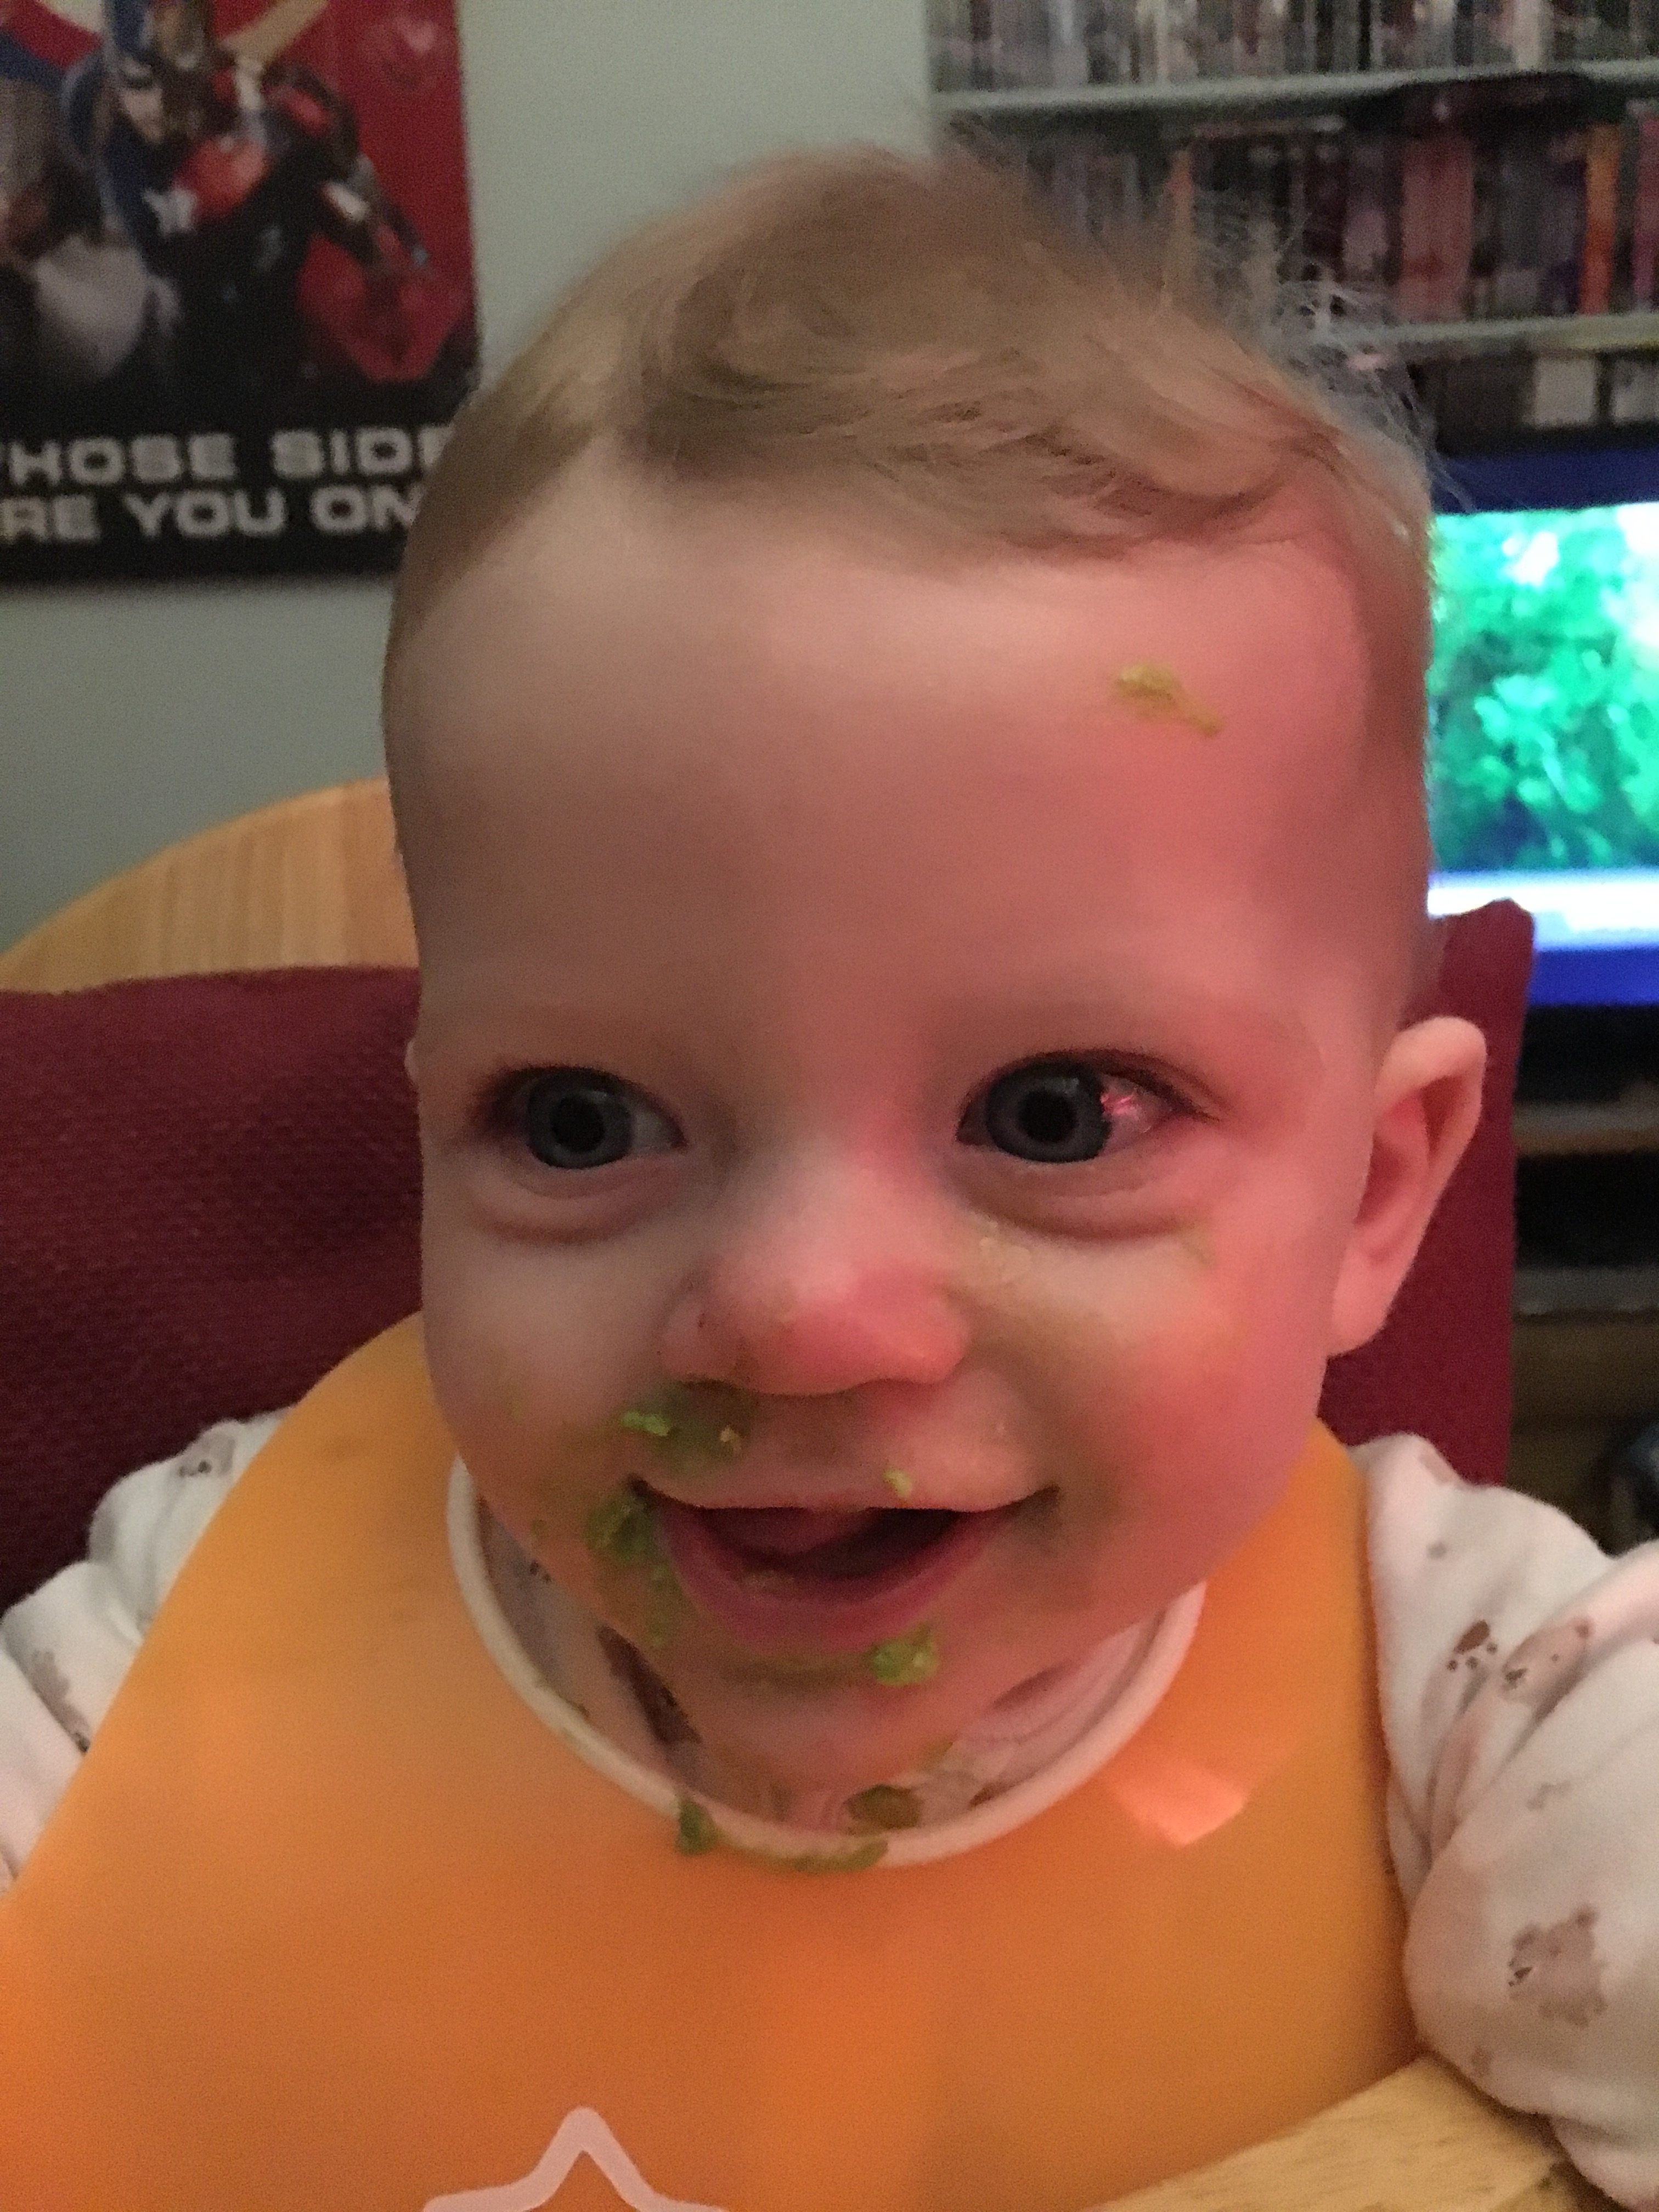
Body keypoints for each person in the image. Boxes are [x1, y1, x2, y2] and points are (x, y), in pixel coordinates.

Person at [3, 148, 1656, 2212]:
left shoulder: (1488, 1702)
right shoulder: (199, 1622)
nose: (792, 1311)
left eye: (1055, 1115)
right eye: (582, 1121)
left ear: (1378, 1199)